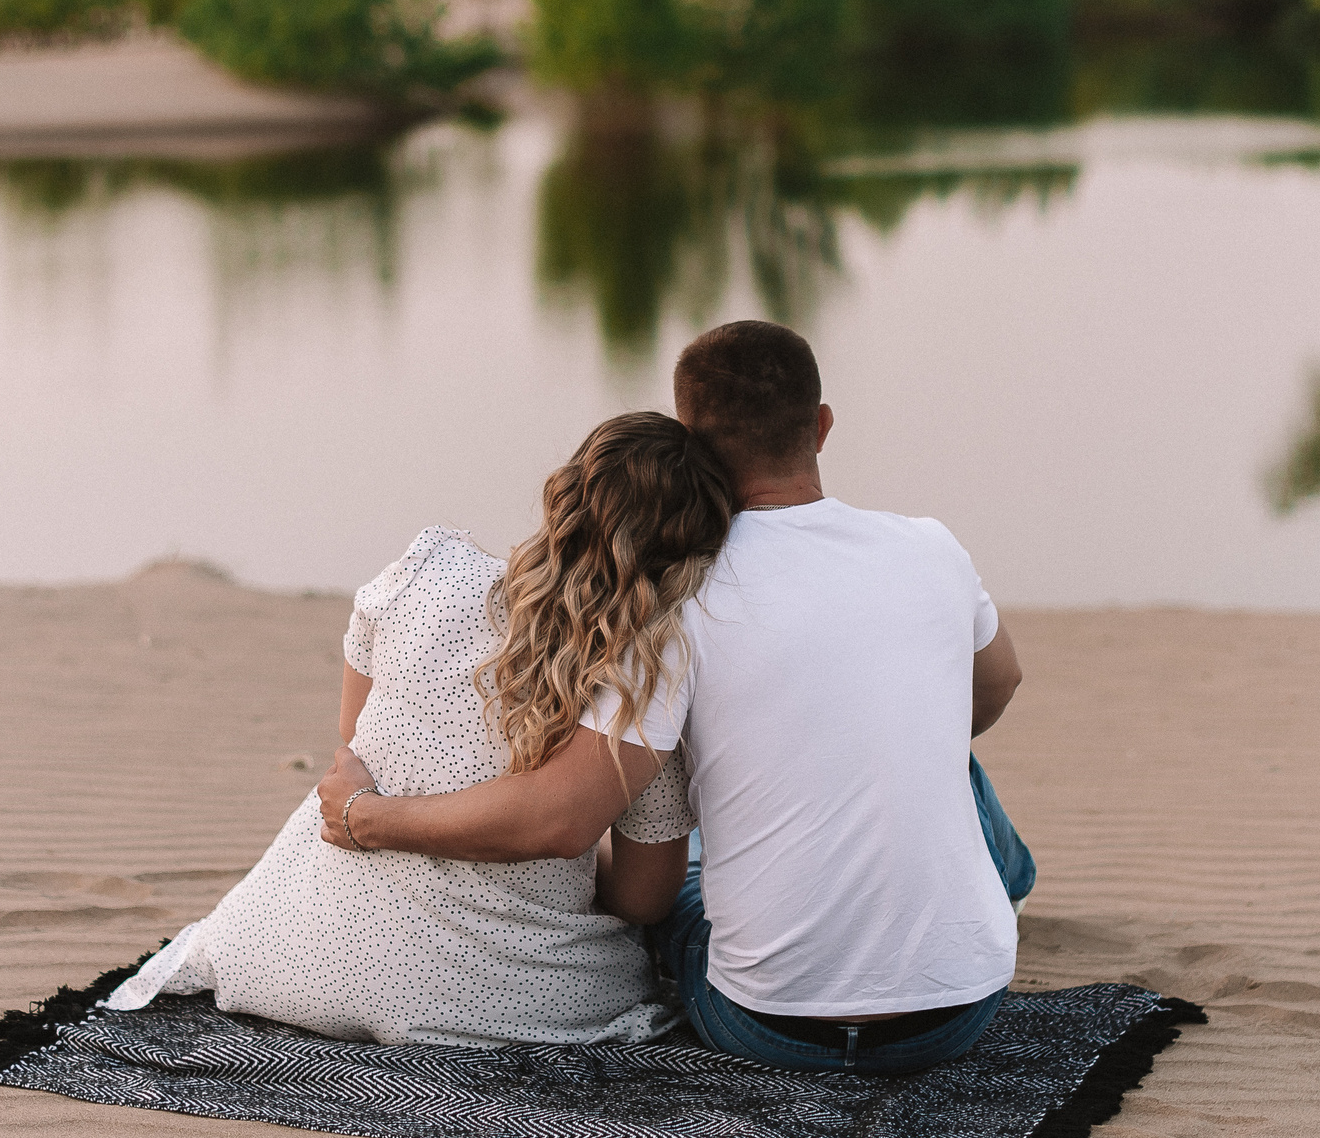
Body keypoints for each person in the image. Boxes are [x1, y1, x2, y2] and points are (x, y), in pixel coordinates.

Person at [320, 320, 1035, 1074]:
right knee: (941, 752)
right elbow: (996, 686)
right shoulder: (931, 547)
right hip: (959, 1012)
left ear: (685, 439)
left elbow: (563, 816)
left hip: (767, 1022)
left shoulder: (676, 594)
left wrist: (369, 816)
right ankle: (1001, 886)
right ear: (821, 427)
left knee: (680, 858)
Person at [104, 412, 729, 1046]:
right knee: (687, 871)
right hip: (494, 999)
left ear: (564, 491)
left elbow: (358, 751)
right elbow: (643, 898)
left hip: (286, 952)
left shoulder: (427, 569)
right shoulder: (647, 670)